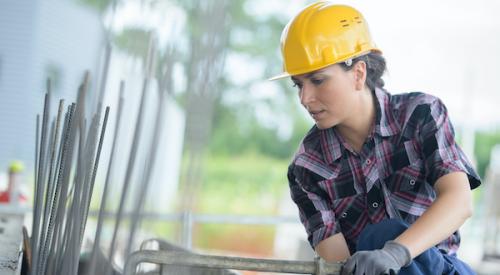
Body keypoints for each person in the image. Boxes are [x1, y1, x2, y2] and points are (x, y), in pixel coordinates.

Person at [270, 2, 481, 275]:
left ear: (358, 74)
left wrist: (396, 252)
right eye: (298, 84)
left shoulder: (420, 115)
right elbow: (340, 264)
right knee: (371, 247)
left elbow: (459, 202)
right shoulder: (307, 167)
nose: (305, 98)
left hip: (440, 269)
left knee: (384, 235)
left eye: (318, 80)